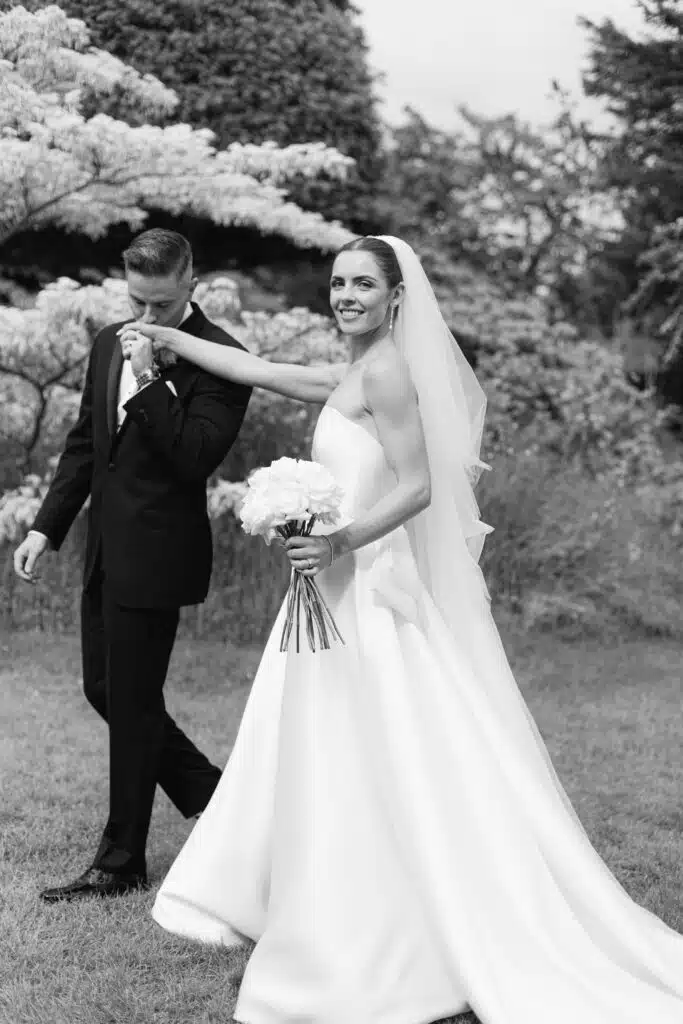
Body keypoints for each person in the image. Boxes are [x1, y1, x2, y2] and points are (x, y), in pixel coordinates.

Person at [122, 236, 683, 1024]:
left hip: (364, 592)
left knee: (383, 746)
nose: (345, 295)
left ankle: (380, 910)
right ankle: (302, 884)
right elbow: (267, 372)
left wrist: (339, 540)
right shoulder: (353, 369)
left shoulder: (386, 372)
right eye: (337, 283)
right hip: (326, 590)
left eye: (361, 285)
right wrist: (177, 338)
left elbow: (418, 486)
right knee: (316, 741)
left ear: (394, 298)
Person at [13, 228, 252, 902]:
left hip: (159, 553)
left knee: (132, 699)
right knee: (106, 690)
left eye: (161, 304)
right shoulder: (107, 341)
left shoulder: (223, 360)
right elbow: (84, 443)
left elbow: (193, 458)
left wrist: (151, 376)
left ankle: (120, 861)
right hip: (104, 549)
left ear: (191, 287)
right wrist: (46, 527)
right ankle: (220, 797)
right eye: (136, 302)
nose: (144, 318)